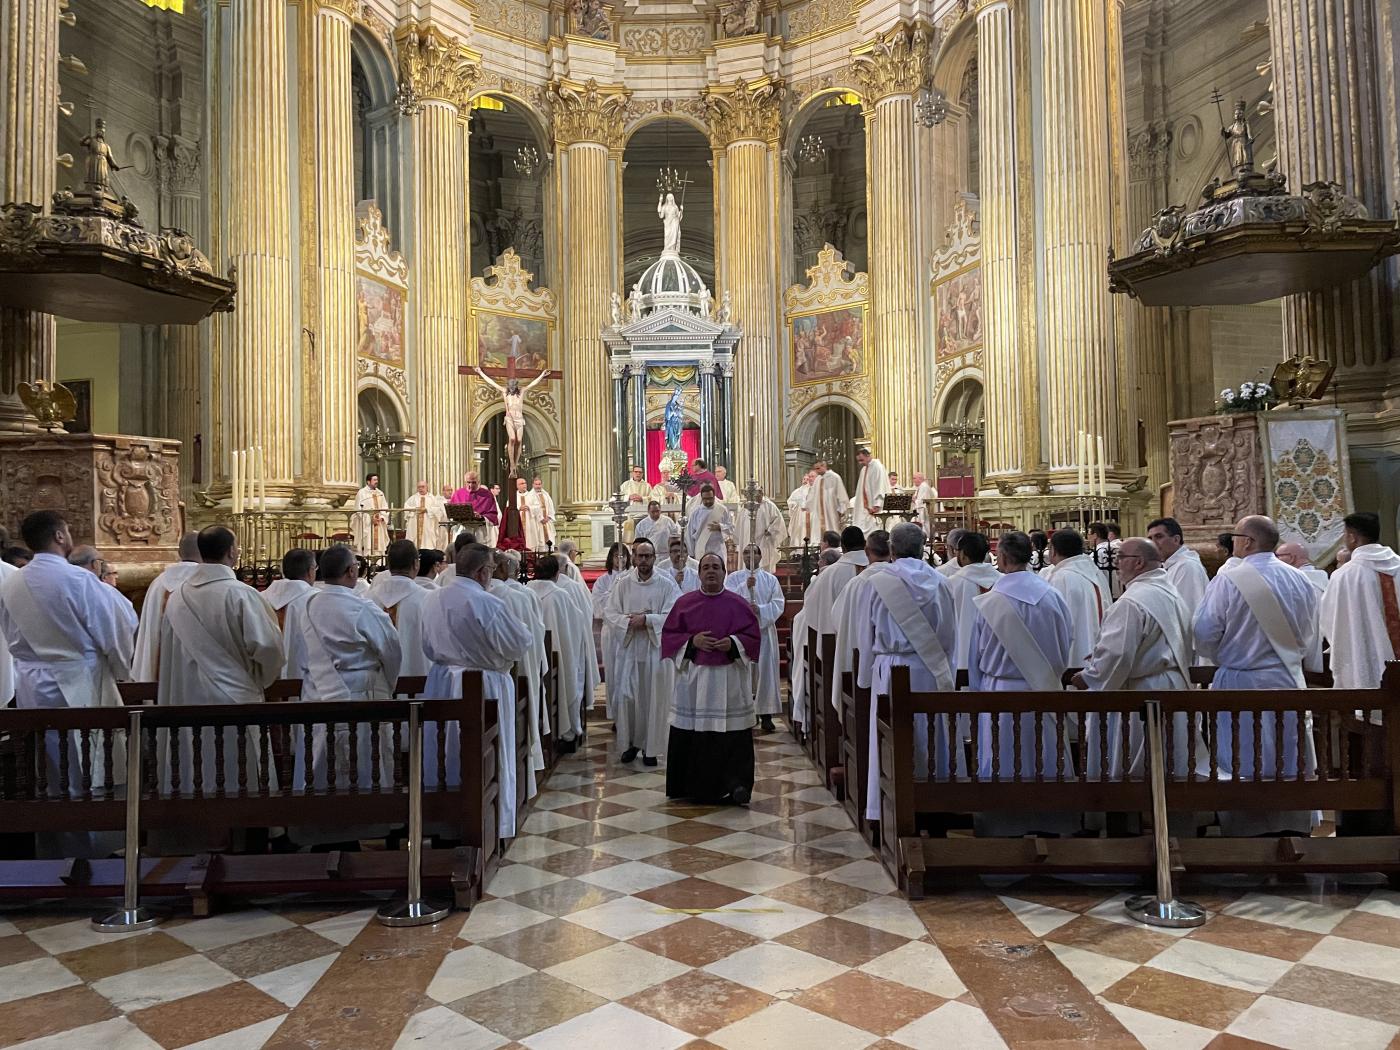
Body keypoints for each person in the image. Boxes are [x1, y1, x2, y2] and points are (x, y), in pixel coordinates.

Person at [0, 511, 137, 850]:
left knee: (49, 770)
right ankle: (96, 852)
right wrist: (122, 667)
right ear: (60, 536)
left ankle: (54, 850)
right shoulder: (78, 580)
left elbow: (9, 633)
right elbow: (112, 628)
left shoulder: (13, 581)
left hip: (31, 683)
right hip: (78, 679)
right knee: (86, 766)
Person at [1193, 514, 1319, 835]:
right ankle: (1291, 827)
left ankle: (1247, 830)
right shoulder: (1300, 579)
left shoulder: (1229, 579)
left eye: (1235, 536)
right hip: (1287, 679)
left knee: (1243, 754)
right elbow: (1308, 632)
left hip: (1241, 682)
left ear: (1247, 541)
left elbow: (1205, 633)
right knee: (1286, 753)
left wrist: (1226, 657)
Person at [158, 526, 283, 796]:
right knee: (240, 777)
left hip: (187, 700)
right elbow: (269, 648)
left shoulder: (177, 597)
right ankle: (248, 828)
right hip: (235, 701)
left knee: (197, 770)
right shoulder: (241, 594)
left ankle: (195, 828)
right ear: (231, 552)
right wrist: (258, 680)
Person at [421, 543, 532, 837]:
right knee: (484, 755)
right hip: (484, 686)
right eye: (492, 570)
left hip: (442, 683)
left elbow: (427, 646)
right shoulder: (487, 603)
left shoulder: (432, 600)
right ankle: (488, 823)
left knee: (445, 753)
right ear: (483, 572)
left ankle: (444, 822)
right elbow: (518, 643)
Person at [1072, 537, 1200, 781]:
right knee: (1169, 766)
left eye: (1121, 557)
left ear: (1138, 562)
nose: (1116, 563)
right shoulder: (1170, 593)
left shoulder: (1132, 602)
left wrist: (1089, 677)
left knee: (1137, 772)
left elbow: (1117, 655)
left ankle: (1132, 817)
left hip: (1140, 696)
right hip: (1172, 688)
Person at [862, 523, 958, 821]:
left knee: (892, 739)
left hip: (890, 669)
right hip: (928, 669)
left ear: (891, 549)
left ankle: (889, 810)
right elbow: (949, 636)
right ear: (924, 546)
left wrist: (866, 675)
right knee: (931, 738)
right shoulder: (940, 582)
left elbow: (866, 634)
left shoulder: (877, 582)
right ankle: (936, 807)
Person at [968, 531, 1074, 799]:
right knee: (1046, 758)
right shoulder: (1052, 597)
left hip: (1000, 693)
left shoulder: (989, 603)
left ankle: (1003, 824)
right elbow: (1066, 641)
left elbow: (976, 658)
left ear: (1001, 557)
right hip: (1045, 689)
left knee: (1004, 758)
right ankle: (1052, 819)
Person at [298, 544, 401, 793]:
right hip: (359, 696)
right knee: (363, 769)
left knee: (320, 763)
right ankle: (368, 821)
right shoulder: (361, 608)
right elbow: (391, 650)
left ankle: (315, 825)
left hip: (317, 692)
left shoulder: (309, 605)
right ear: (351, 571)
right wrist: (385, 685)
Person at [662, 553, 762, 803]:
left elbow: (752, 638)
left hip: (728, 681)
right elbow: (670, 637)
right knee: (693, 732)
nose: (710, 571)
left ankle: (736, 785)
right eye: (706, 567)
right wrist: (691, 642)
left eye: (716, 567)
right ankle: (689, 787)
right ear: (699, 573)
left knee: (732, 733)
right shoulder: (684, 604)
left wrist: (732, 642)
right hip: (695, 681)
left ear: (724, 572)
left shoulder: (738, 604)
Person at [606, 538, 681, 764]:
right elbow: (610, 612)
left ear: (654, 558)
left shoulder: (667, 584)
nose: (644, 560)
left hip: (654, 651)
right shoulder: (622, 583)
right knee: (628, 698)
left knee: (654, 699)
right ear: (634, 557)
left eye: (648, 556)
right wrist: (628, 622)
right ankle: (631, 744)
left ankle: (651, 748)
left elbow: (675, 615)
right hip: (630, 649)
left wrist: (647, 619)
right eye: (640, 555)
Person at [789, 525, 867, 731]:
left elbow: (811, 614)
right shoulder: (878, 568)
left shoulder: (829, 574)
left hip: (837, 650)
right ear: (865, 544)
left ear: (843, 545)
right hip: (872, 653)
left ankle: (838, 731)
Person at [489, 550, 549, 793]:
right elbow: (531, 638)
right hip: (510, 675)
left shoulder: (443, 596)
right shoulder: (519, 597)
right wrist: (538, 665)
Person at [1321, 511, 1400, 690]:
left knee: (1370, 701)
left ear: (1352, 537)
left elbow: (1330, 622)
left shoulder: (1344, 576)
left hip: (1364, 656)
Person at [528, 555, 593, 753]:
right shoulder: (560, 594)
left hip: (533, 660)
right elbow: (577, 621)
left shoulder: (525, 592)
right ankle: (565, 732)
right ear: (557, 573)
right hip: (557, 656)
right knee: (566, 682)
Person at [725, 544, 784, 733]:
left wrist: (761, 610)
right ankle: (747, 713)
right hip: (742, 632)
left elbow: (778, 602)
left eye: (753, 552)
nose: (749, 556)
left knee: (765, 671)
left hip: (764, 631)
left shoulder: (770, 579)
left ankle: (766, 713)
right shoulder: (734, 578)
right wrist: (745, 587)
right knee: (745, 672)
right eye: (746, 553)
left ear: (760, 555)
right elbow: (727, 599)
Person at [133, 531, 201, 680]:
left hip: (161, 673)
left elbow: (148, 631)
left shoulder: (158, 584)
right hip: (199, 675)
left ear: (179, 552)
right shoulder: (206, 583)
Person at [1043, 529, 1113, 665]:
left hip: (1074, 653)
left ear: (1054, 551)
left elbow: (1052, 622)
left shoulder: (1060, 577)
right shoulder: (1094, 572)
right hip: (1099, 649)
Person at [368, 539, 432, 677]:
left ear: (389, 565)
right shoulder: (427, 599)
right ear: (416, 564)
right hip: (418, 681)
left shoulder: (370, 598)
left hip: (379, 685)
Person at [943, 531, 1000, 673]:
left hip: (963, 655)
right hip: (998, 657)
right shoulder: (1003, 581)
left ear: (961, 554)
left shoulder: (951, 584)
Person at [263, 548, 316, 678]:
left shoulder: (261, 597)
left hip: (268, 677)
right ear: (310, 571)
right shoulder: (315, 600)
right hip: (304, 677)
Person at [1277, 540, 1328, 671]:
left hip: (1298, 654)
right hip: (1324, 653)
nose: (1276, 560)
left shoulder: (1293, 584)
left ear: (1292, 558)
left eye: (1278, 556)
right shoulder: (1324, 581)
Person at [1148, 517, 1209, 616]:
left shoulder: (1186, 567)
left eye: (1159, 537)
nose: (1153, 543)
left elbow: (1187, 610)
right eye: (1150, 539)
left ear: (1176, 539)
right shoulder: (1171, 564)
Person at [593, 542, 632, 698]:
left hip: (630, 629)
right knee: (612, 669)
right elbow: (597, 606)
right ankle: (613, 710)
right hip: (610, 629)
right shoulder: (603, 581)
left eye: (623, 556)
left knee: (629, 671)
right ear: (611, 558)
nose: (620, 559)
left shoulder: (633, 577)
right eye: (616, 556)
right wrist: (613, 592)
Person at [734, 493, 786, 573]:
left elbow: (778, 522)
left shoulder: (769, 506)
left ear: (762, 494)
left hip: (764, 540)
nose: (756, 497)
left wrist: (771, 530)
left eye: (758, 494)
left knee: (763, 565)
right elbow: (739, 526)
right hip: (747, 540)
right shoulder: (746, 507)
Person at [685, 484, 733, 561]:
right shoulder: (696, 512)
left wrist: (720, 527)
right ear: (701, 498)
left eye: (710, 498)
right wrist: (691, 554)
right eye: (705, 499)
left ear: (714, 496)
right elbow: (689, 534)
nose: (708, 501)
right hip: (701, 547)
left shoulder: (722, 510)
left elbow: (731, 528)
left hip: (718, 548)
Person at [452, 472, 500, 544]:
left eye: (474, 482)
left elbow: (493, 514)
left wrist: (481, 517)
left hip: (479, 531)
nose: (470, 485)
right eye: (468, 482)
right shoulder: (458, 493)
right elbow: (451, 511)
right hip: (462, 529)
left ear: (479, 482)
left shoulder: (487, 495)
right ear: (465, 481)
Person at [851, 447, 890, 533]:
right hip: (865, 506)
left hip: (874, 506)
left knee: (874, 528)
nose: (860, 463)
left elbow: (880, 485)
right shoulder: (864, 469)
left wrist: (878, 503)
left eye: (862, 460)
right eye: (859, 461)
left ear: (868, 456)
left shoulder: (877, 467)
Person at [808, 460, 849, 536]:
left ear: (824, 466)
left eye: (818, 468)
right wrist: (807, 505)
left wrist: (841, 509)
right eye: (815, 469)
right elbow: (812, 495)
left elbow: (841, 494)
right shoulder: (818, 479)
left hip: (831, 511)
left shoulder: (835, 477)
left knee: (832, 530)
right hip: (819, 512)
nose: (816, 471)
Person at [353, 473, 390, 556]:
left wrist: (382, 518)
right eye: (374, 480)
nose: (376, 482)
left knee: (379, 546)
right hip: (368, 525)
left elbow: (385, 508)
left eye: (377, 480)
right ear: (368, 482)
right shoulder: (362, 493)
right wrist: (370, 519)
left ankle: (380, 565)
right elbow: (358, 510)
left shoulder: (380, 493)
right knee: (368, 545)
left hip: (379, 524)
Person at [404, 481, 447, 550]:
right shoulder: (413, 498)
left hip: (428, 524)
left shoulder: (432, 498)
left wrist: (427, 510)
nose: (421, 489)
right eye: (419, 487)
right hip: (415, 525)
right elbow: (406, 508)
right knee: (414, 542)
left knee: (428, 543)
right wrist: (416, 509)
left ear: (427, 487)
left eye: (423, 487)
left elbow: (438, 510)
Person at [521, 476, 556, 551]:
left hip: (547, 522)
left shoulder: (546, 494)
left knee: (549, 541)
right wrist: (541, 518)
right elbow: (531, 508)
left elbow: (551, 507)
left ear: (541, 484)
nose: (538, 486)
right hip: (537, 522)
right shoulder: (529, 495)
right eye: (536, 484)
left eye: (539, 484)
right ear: (533, 485)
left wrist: (549, 517)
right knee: (540, 541)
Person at [787, 470, 815, 547]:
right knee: (799, 535)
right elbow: (790, 502)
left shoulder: (813, 491)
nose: (805, 481)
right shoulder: (797, 492)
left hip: (810, 517)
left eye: (807, 479)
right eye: (804, 479)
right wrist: (796, 505)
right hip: (799, 518)